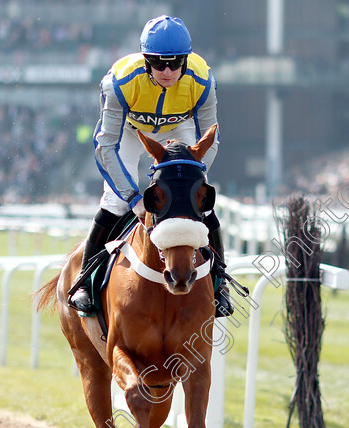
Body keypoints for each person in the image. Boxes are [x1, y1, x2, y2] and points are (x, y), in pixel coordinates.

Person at [68, 14, 233, 317]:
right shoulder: (118, 82)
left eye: (175, 63)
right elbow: (106, 147)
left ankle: (220, 283)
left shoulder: (203, 80)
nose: (168, 71)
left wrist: (189, 181)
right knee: (115, 202)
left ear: (186, 59)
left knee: (200, 204)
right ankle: (84, 282)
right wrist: (133, 199)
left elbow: (212, 139)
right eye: (159, 64)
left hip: (180, 129)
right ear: (146, 61)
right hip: (132, 132)